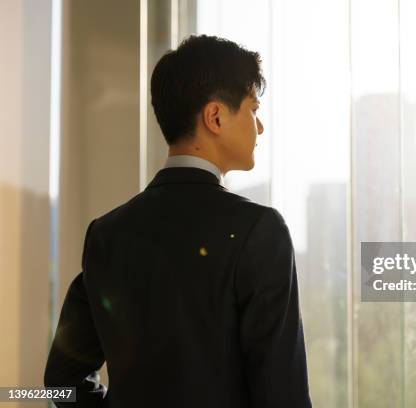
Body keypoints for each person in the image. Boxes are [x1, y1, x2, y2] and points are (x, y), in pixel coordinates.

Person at [44, 34, 312, 408]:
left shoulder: (106, 233)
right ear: (215, 117)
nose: (260, 127)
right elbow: (282, 394)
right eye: (253, 109)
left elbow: (62, 380)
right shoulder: (260, 231)